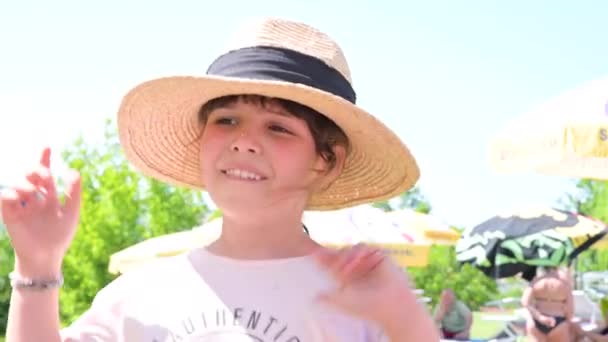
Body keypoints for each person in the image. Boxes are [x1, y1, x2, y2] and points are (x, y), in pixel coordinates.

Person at [0, 17, 440, 341]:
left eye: (278, 127)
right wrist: (37, 264)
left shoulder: (368, 301)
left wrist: (406, 321)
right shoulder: (138, 296)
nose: (244, 141)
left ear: (326, 160)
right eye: (226, 120)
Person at [521, 269, 574, 342]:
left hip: (536, 321)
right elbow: (570, 308)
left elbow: (525, 302)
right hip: (558, 320)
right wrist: (568, 322)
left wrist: (540, 317)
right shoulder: (564, 282)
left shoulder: (537, 280)